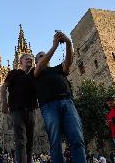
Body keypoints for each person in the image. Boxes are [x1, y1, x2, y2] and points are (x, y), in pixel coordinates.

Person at [33, 31, 86, 163]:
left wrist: (68, 42)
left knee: (77, 139)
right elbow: (40, 65)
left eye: (44, 55)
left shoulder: (58, 68)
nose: (44, 56)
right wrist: (55, 46)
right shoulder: (36, 72)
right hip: (49, 106)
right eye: (41, 56)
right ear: (36, 61)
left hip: (67, 103)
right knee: (55, 143)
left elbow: (68, 62)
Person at [1, 53, 37, 163]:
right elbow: (4, 86)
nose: (30, 60)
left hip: (31, 111)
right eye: (27, 59)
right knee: (20, 142)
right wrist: (4, 103)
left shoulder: (33, 75)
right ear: (20, 62)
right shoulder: (14, 73)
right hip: (17, 111)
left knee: (29, 144)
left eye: (31, 59)